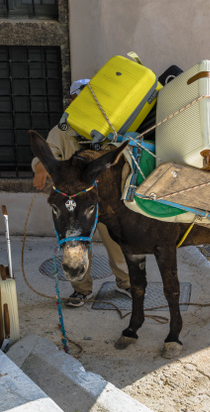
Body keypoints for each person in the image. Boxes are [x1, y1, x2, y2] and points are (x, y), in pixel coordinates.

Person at [32, 79, 131, 307]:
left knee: (116, 242)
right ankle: (82, 289)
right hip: (73, 204)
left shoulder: (110, 127)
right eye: (82, 97)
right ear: (73, 100)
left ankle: (125, 282)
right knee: (74, 242)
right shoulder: (63, 130)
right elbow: (48, 152)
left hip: (105, 200)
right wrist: (40, 166)